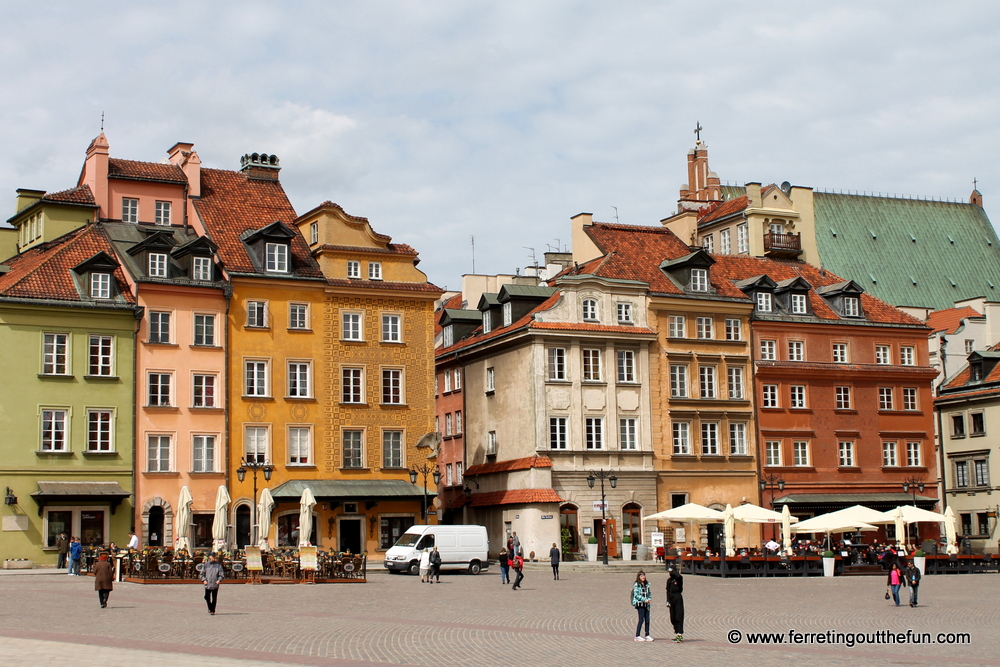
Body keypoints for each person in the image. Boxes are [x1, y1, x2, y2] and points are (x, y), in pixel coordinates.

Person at [632, 571, 652, 641]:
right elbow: (636, 595)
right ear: (638, 577)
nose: (643, 577)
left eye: (644, 575)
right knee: (641, 619)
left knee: (647, 620)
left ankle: (647, 634)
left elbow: (649, 593)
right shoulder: (636, 584)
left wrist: (649, 599)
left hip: (646, 604)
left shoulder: (646, 584)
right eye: (641, 576)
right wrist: (644, 599)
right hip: (640, 604)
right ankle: (637, 635)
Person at [666, 565, 685, 642]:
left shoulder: (678, 579)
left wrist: (674, 571)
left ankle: (680, 634)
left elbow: (679, 576)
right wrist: (667, 601)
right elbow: (667, 590)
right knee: (673, 617)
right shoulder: (669, 580)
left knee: (679, 616)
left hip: (678, 597)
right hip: (671, 598)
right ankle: (676, 632)